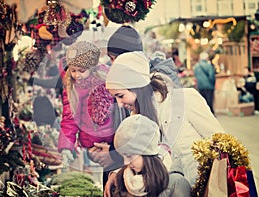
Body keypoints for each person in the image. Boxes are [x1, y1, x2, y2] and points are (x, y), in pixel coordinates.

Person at [105, 51, 225, 188]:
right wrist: (116, 175)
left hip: (206, 188)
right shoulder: (137, 119)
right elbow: (136, 158)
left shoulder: (186, 99)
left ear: (137, 87)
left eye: (120, 96)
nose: (119, 104)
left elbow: (221, 141)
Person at [87, 25, 144, 187]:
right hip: (116, 166)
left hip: (132, 174)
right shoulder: (118, 81)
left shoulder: (144, 88)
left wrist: (114, 154)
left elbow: (145, 141)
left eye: (114, 58)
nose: (112, 64)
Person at [58, 41, 117, 170]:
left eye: (81, 70)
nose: (77, 75)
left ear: (92, 68)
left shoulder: (107, 80)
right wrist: (66, 147)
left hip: (114, 142)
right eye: (73, 70)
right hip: (91, 143)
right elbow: (69, 119)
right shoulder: (72, 88)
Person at [111, 114, 191, 197]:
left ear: (147, 152)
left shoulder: (177, 184)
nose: (125, 162)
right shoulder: (122, 180)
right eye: (122, 156)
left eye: (129, 156)